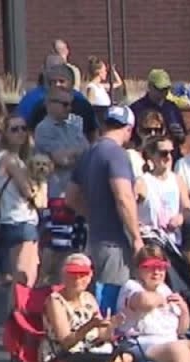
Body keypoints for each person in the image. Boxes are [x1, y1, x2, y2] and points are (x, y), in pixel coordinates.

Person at [67, 105, 144, 286]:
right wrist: (136, 238)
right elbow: (123, 197)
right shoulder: (117, 154)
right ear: (129, 129)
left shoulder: (88, 153)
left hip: (94, 241)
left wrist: (94, 213)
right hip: (115, 243)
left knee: (97, 301)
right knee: (113, 302)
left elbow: (70, 198)